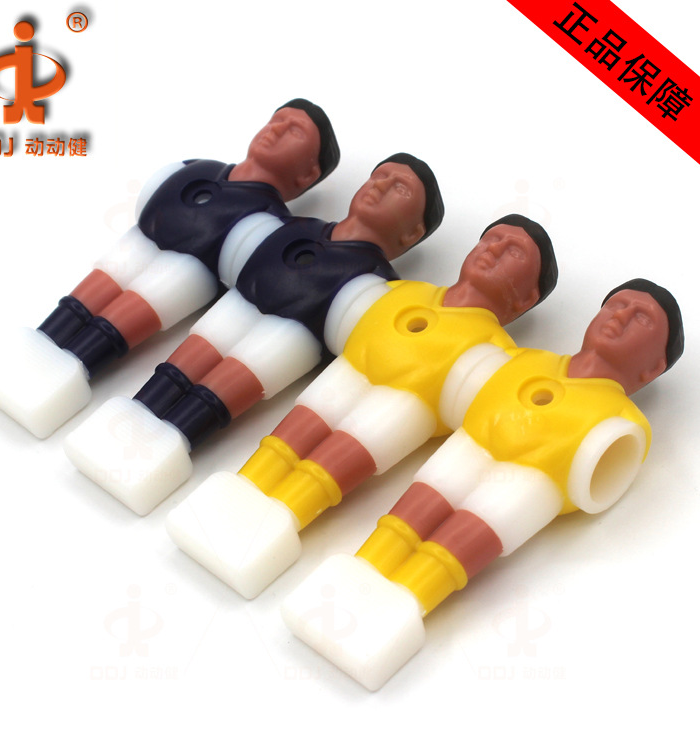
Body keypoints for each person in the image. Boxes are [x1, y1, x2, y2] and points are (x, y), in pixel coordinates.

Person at [281, 279, 684, 691]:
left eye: (641, 319)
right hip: (471, 444)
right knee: (411, 514)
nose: (619, 317)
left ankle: (405, 604)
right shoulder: (526, 359)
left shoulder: (623, 421)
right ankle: (357, 572)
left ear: (652, 369)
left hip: (534, 480)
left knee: (462, 537)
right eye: (615, 305)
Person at [165, 215, 557, 598]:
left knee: (336, 458)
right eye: (491, 239)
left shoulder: (499, 355)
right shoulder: (403, 291)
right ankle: (241, 491)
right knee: (292, 435)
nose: (492, 251)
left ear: (525, 299)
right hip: (350, 371)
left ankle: (282, 520)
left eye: (513, 253)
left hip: (406, 404)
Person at [64, 154, 444, 515]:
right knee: (177, 370)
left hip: (293, 334)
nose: (380, 186)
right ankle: (129, 417)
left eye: (399, 189)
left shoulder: (380, 289)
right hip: (240, 303)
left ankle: (169, 445)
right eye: (379, 176)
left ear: (411, 234)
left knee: (215, 393)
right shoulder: (295, 226)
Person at [0, 99, 338, 438]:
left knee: (130, 308)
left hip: (188, 270)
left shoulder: (271, 223)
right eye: (277, 119)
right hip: (141, 239)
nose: (275, 129)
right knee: (90, 293)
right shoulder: (199, 168)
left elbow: (244, 267)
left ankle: (73, 370)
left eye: (294, 132)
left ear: (306, 176)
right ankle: (41, 346)